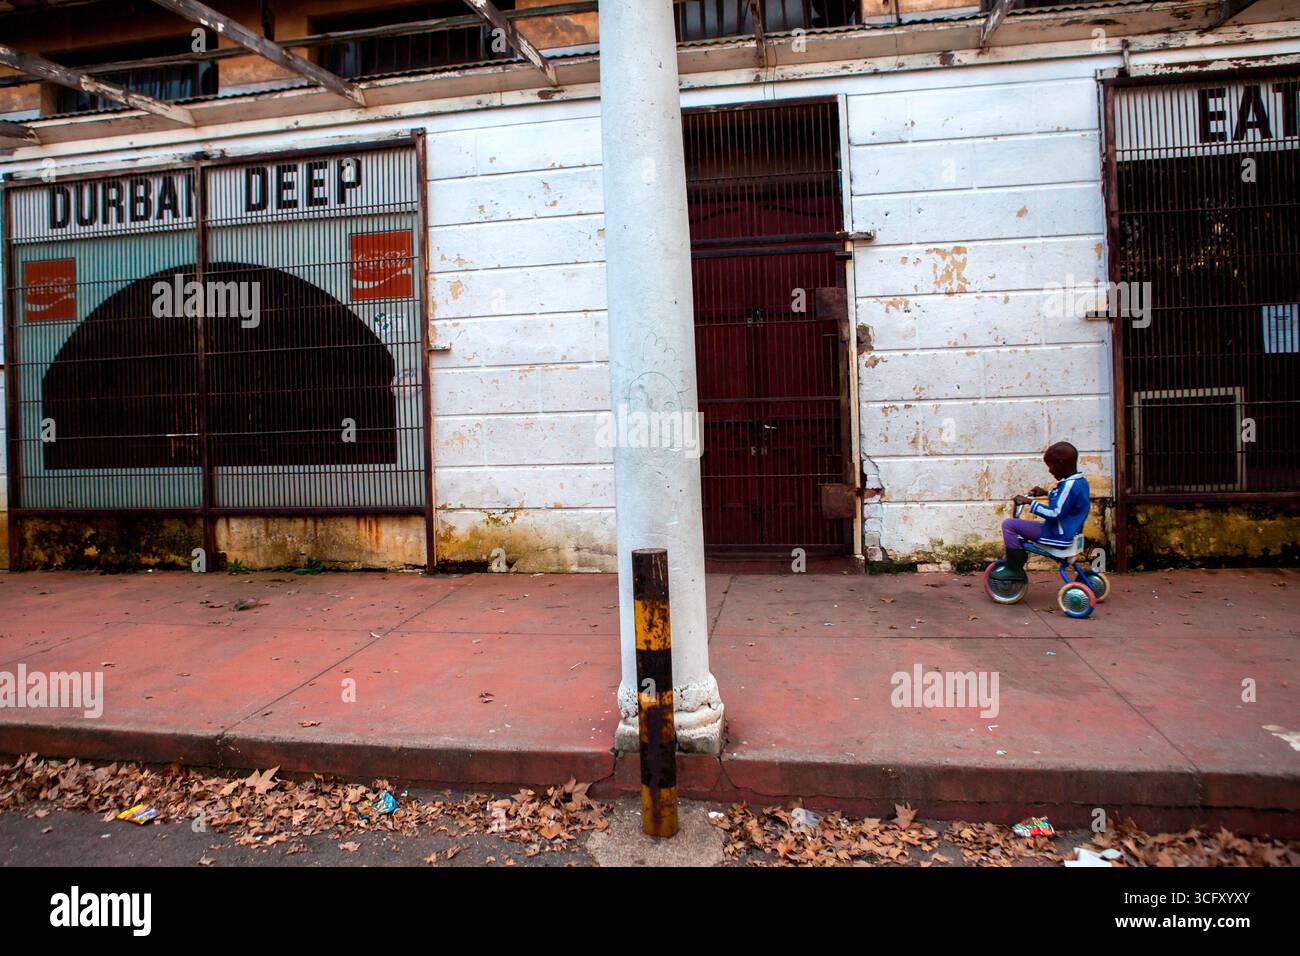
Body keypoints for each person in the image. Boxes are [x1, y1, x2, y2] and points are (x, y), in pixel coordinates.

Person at [991, 441, 1090, 583]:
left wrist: (1029, 502)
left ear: (1061, 463)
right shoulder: (1079, 482)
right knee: (1019, 526)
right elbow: (1066, 502)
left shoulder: (1069, 485)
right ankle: (1015, 564)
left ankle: (1014, 569)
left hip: (1058, 534)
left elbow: (1056, 512)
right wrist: (1045, 493)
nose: (1050, 471)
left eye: (1051, 466)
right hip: (1067, 530)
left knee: (1010, 525)